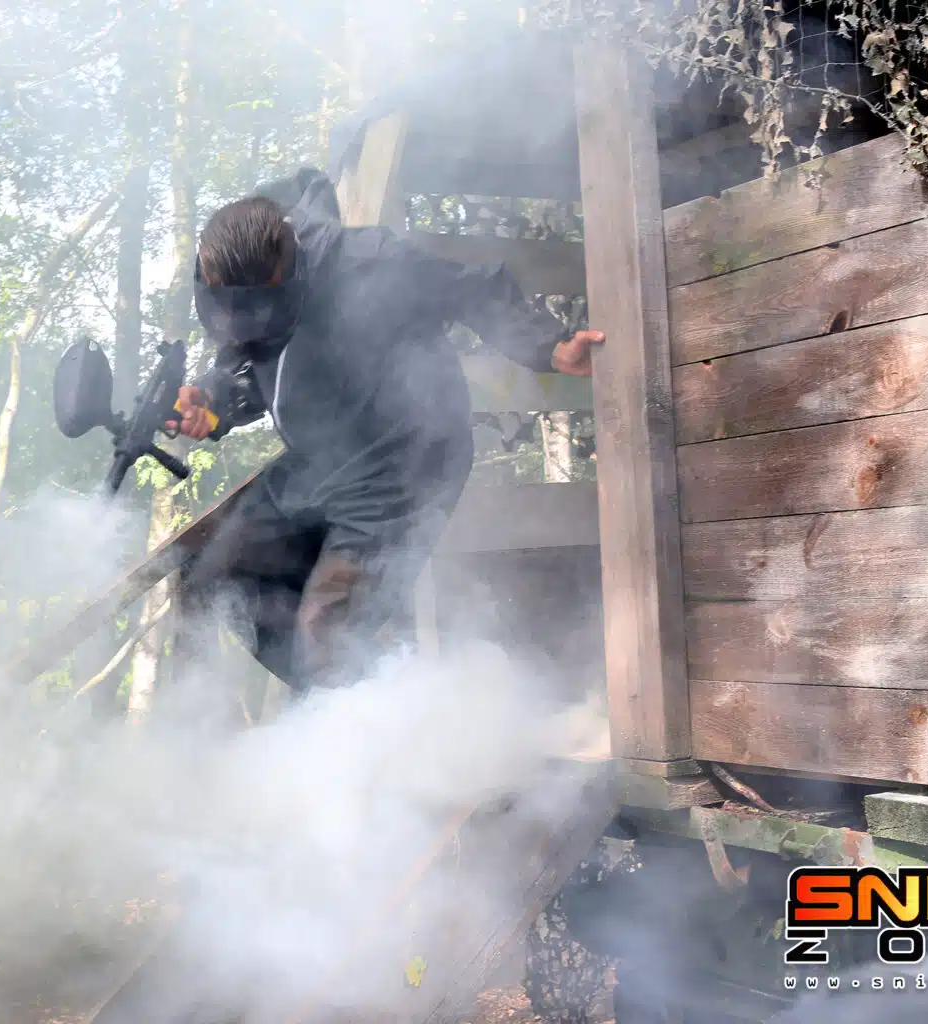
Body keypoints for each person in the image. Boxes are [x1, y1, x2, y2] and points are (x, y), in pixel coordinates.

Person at [166, 167, 604, 693]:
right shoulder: (245, 298)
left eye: (256, 309)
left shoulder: (369, 261)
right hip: (321, 464)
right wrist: (213, 401)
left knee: (328, 634)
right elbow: (252, 365)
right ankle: (360, 695)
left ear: (284, 271)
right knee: (212, 569)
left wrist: (549, 346)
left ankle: (368, 702)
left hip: (405, 464)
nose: (244, 324)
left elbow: (471, 291)